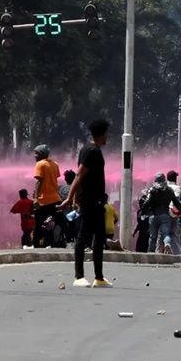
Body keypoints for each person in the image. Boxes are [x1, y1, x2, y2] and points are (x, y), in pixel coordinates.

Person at [64, 118, 111, 287]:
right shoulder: (92, 151)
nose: (108, 136)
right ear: (102, 134)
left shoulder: (87, 149)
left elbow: (82, 177)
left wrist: (75, 198)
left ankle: (99, 277)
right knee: (83, 236)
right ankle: (79, 276)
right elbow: (79, 175)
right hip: (91, 201)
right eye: (106, 133)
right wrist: (70, 198)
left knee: (99, 237)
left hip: (94, 200)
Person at [32, 144, 62, 249]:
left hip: (43, 199)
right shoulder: (55, 164)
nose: (34, 155)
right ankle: (57, 241)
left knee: (38, 222)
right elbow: (56, 178)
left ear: (41, 154)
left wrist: (36, 198)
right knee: (56, 221)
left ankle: (36, 244)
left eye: (36, 153)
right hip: (56, 198)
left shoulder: (40, 164)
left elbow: (39, 181)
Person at [142, 172, 178, 254]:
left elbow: (147, 202)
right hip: (165, 215)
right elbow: (176, 202)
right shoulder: (169, 190)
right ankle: (167, 244)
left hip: (154, 215)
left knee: (153, 236)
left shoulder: (152, 189)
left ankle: (151, 253)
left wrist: (143, 212)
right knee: (165, 234)